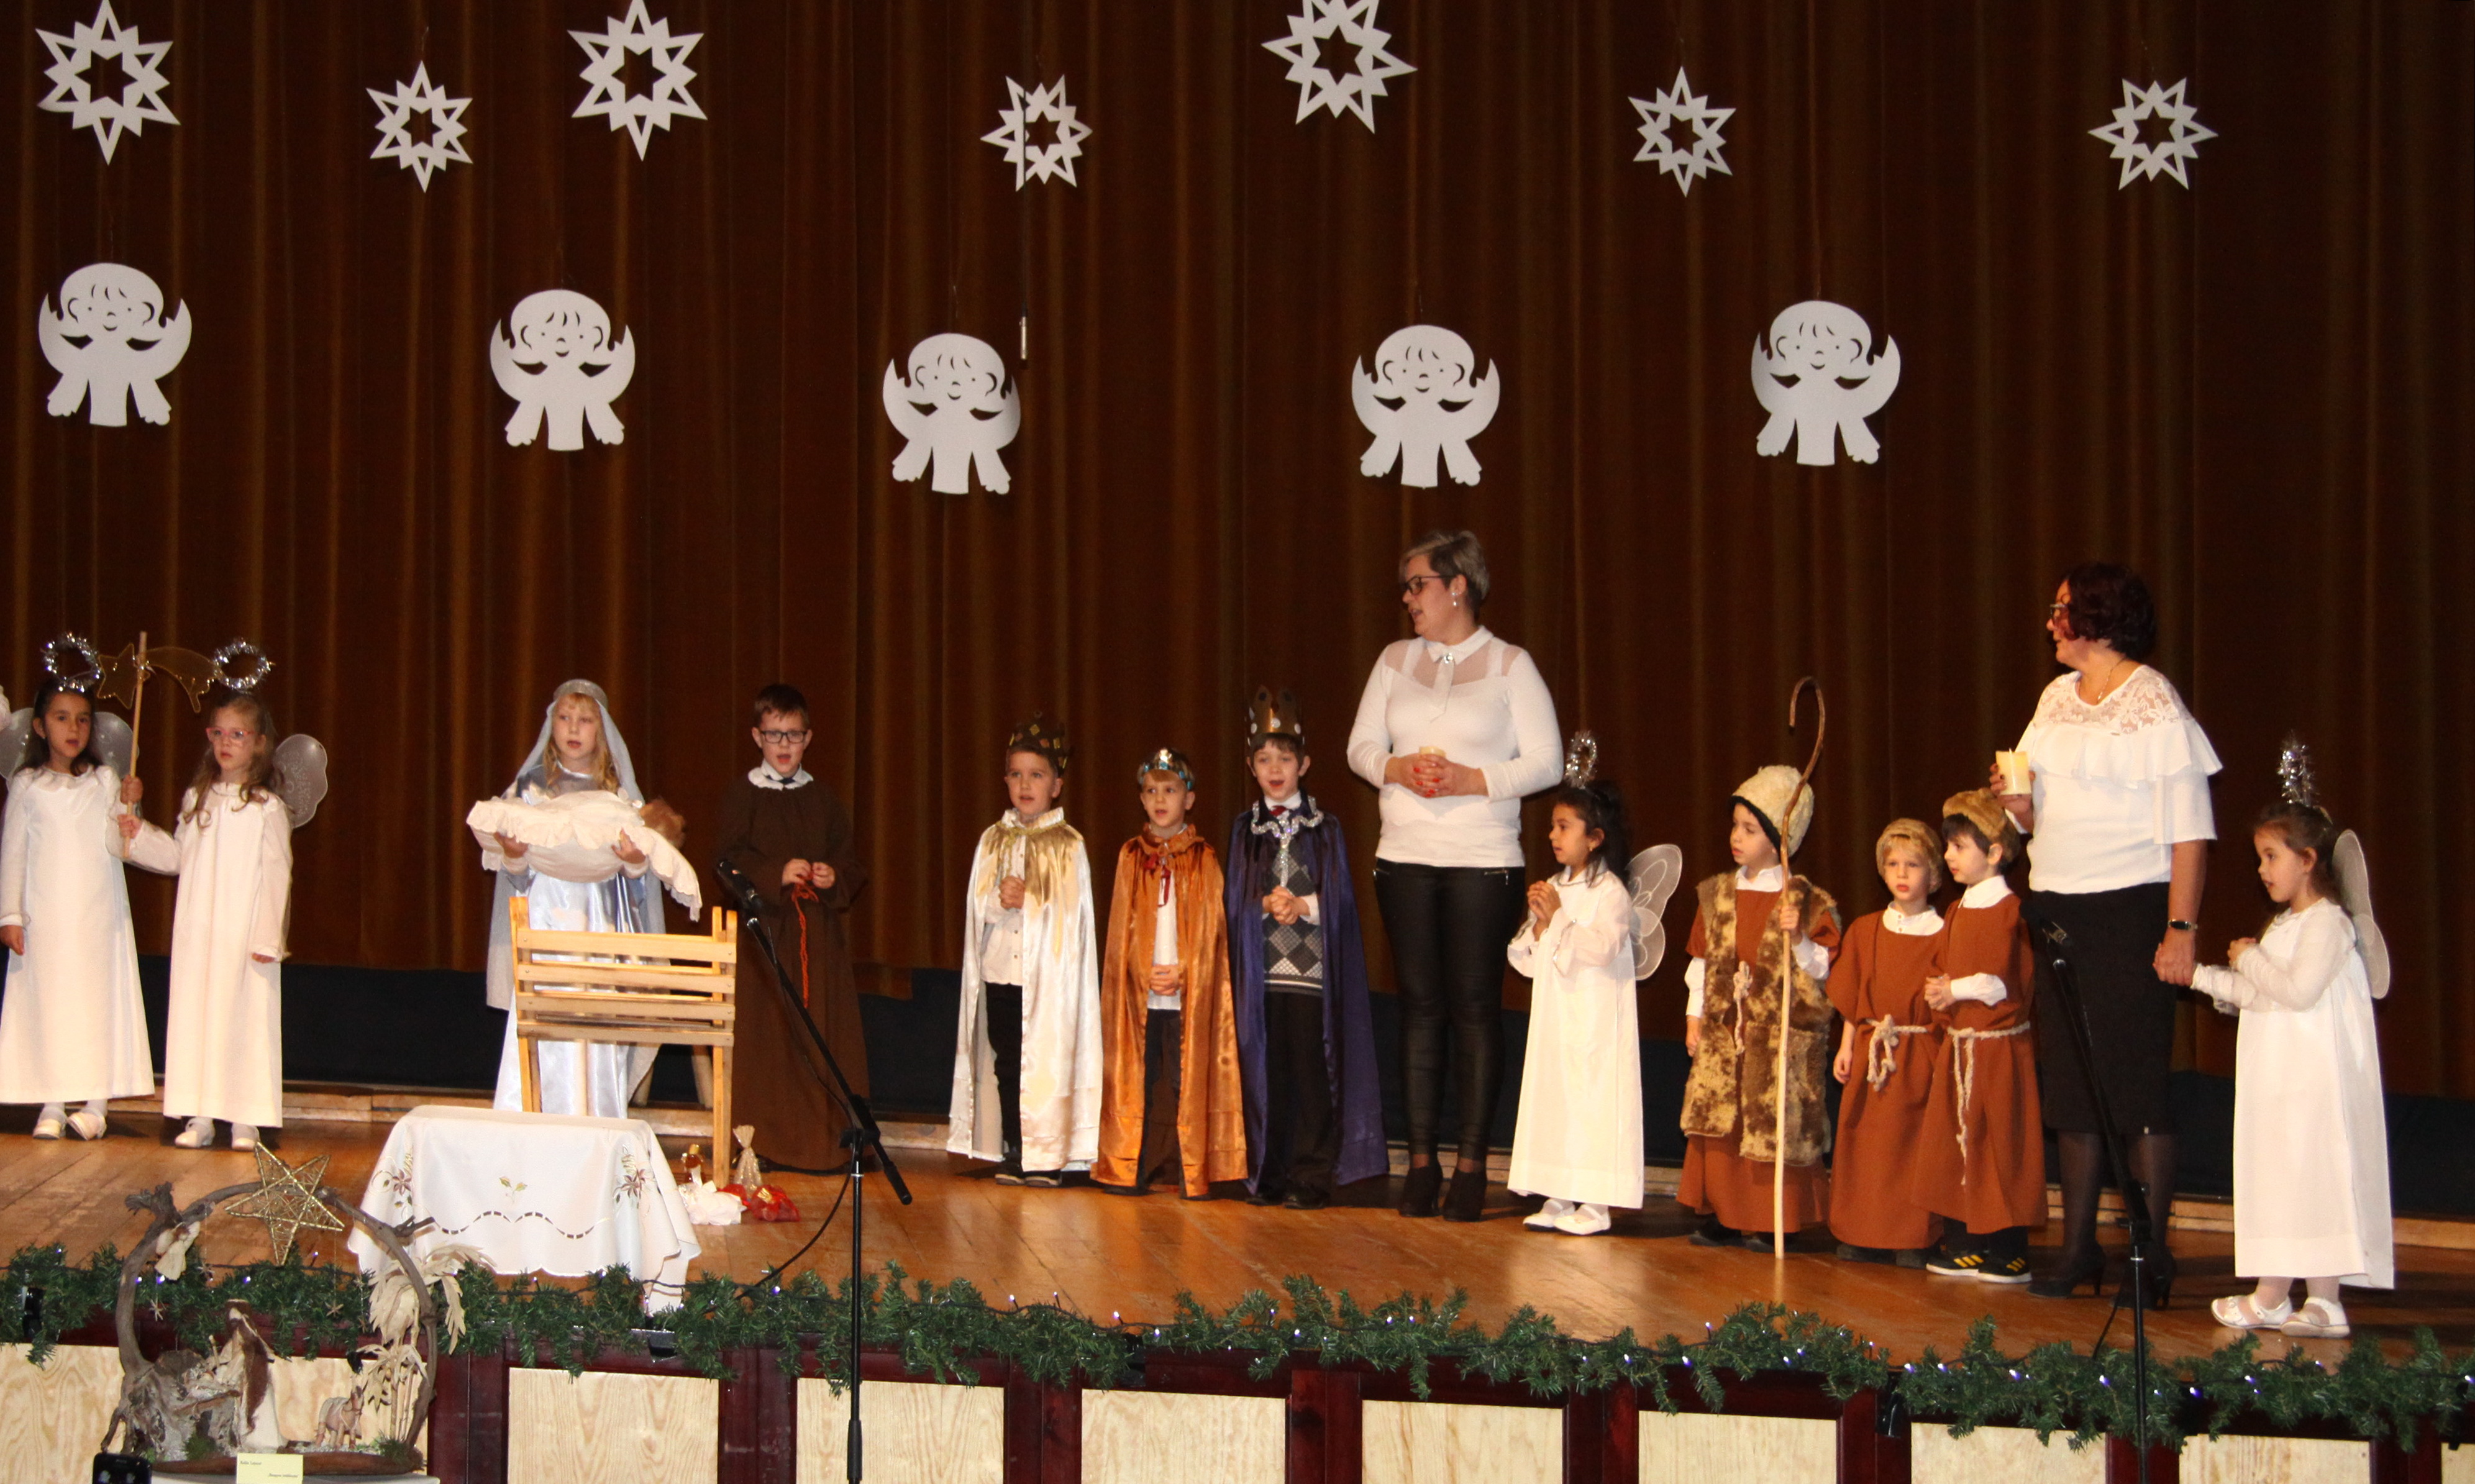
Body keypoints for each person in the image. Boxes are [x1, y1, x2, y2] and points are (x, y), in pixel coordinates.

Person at [1996, 563, 2220, 1303]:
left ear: (2097, 617)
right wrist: (2021, 810)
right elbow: (2041, 817)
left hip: (2131, 911)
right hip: (2061, 909)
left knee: (2133, 1085)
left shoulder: (2153, 702)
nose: (2050, 621)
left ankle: (2150, 1254)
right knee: (2072, 1086)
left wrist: (2180, 928)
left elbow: (2189, 832)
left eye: (2061, 608)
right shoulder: (2055, 697)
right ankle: (2078, 1247)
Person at [1347, 530, 1562, 1222]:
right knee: (1419, 1009)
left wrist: (1474, 779)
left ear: (1458, 585)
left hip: (1482, 861)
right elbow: (1359, 747)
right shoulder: (1393, 660)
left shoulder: (1510, 664)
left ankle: (1471, 1166)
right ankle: (1420, 1164)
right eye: (1406, 587)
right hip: (1405, 858)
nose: (1409, 598)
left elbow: (1548, 761)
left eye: (1419, 584)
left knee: (1474, 1009)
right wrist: (1397, 767)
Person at [2196, 748, 2392, 1341]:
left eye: (2271, 856)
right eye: (2260, 857)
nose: (2262, 869)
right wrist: (2198, 975)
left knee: (2314, 1177)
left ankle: (2316, 1298)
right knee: (2283, 1178)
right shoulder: (2285, 925)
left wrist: (2248, 957)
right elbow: (2258, 995)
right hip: (2279, 1078)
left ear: (2308, 860)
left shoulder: (2329, 923)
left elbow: (2298, 991)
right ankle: (2285, 1297)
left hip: (2313, 1082)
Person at [483, 681, 674, 1118]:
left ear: (601, 730)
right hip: (544, 923)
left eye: (585, 720)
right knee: (542, 1018)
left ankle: (596, 1119)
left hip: (597, 923)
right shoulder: (530, 790)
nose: (573, 728)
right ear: (551, 725)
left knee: (593, 1020)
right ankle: (530, 1120)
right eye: (565, 718)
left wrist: (634, 862)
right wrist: (514, 854)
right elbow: (516, 876)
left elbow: (636, 881)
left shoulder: (619, 795)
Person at [1226, 689, 1385, 1210]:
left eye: (1285, 759)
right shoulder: (1245, 831)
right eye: (1264, 759)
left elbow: (1340, 899)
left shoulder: (1325, 828)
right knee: (1268, 1074)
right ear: (1251, 766)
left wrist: (1303, 905)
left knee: (1312, 1074)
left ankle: (1312, 1175)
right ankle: (1268, 1173)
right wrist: (1262, 904)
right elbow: (1232, 901)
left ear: (1305, 765)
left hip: (1311, 975)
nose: (1275, 769)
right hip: (1264, 976)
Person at [121, 690, 297, 1150]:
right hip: (199, 931)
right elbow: (178, 856)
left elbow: (277, 873)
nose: (226, 743)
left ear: (259, 742)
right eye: (219, 733)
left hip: (243, 935)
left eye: (238, 734)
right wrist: (139, 832)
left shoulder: (266, 807)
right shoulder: (197, 798)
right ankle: (199, 1114)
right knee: (197, 1018)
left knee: (244, 1019)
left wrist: (268, 936)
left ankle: (245, 1118)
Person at [1678, 766, 1841, 1250]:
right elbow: (1701, 964)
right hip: (1726, 1029)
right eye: (1735, 825)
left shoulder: (1804, 900)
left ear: (1778, 839)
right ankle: (1727, 1211)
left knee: (1771, 1119)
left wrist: (1800, 937)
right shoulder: (1717, 895)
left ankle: (1773, 1216)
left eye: (1750, 829)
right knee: (1723, 1119)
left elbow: (1822, 969)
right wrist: (1694, 1016)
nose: (1736, 837)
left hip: (1777, 1038)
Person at [714, 684, 870, 1172]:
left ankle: (825, 1143)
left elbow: (852, 864)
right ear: (757, 736)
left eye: (794, 735)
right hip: (766, 938)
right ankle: (763, 1142)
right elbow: (725, 862)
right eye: (774, 734)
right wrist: (773, 874)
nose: (784, 745)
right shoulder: (743, 795)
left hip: (815, 939)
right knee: (768, 1040)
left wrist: (831, 875)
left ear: (808, 738)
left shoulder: (822, 798)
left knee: (821, 1036)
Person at [947, 714, 1101, 1186]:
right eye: (1016, 775)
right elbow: (977, 908)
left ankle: (1047, 1156)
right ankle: (1015, 1148)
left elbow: (1071, 920)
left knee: (1044, 1064)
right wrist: (999, 900)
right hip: (1001, 973)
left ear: (1056, 785)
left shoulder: (1068, 845)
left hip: (1046, 981)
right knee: (1008, 1062)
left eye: (1036, 775)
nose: (1025, 785)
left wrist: (1031, 902)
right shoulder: (992, 839)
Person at [0, 678, 150, 1140]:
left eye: (83, 719)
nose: (74, 728)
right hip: (46, 917)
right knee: (51, 1004)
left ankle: (96, 1104)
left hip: (97, 915)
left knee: (96, 1005)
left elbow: (119, 842)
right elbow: (13, 852)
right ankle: (52, 1101)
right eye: (62, 718)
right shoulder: (28, 784)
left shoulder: (103, 781)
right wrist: (10, 915)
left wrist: (130, 802)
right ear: (40, 727)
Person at [1094, 749, 1244, 1198]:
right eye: (1152, 791)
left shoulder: (1202, 858)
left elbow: (1211, 931)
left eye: (1171, 790)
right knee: (1139, 1080)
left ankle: (1190, 1170)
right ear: (1141, 799)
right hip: (1142, 993)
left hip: (1183, 993)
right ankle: (1131, 1168)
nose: (1161, 799)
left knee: (1184, 1079)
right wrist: (1140, 974)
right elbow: (1120, 931)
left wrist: (1184, 972)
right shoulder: (1130, 856)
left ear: (1189, 799)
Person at [1505, 740, 1641, 1237]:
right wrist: (1542, 924)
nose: (1553, 835)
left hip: (1595, 1019)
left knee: (1593, 1098)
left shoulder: (1611, 893)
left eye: (1565, 826)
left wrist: (1558, 919)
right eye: (1553, 826)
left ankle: (1597, 1202)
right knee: (1556, 1095)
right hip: (1558, 1018)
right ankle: (1559, 1190)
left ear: (1595, 837)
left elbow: (1602, 947)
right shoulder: (1557, 885)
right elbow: (1524, 955)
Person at [1913, 791, 2043, 1283]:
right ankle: (1965, 1242)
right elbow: (1949, 964)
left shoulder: (2011, 910)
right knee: (1955, 1145)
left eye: (1960, 846)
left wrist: (1954, 989)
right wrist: (1939, 988)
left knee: (1999, 1146)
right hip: (1961, 1046)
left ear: (1995, 852)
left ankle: (2008, 1250)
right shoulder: (1958, 909)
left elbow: (2001, 982)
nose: (1948, 855)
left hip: (1997, 1049)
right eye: (1948, 846)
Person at [1825, 819, 1947, 1265]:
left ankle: (1912, 1236)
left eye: (1913, 864)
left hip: (1920, 1053)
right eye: (1894, 864)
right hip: (1872, 1050)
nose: (1902, 873)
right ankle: (1861, 1231)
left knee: (1913, 1145)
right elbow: (1853, 997)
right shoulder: (1866, 929)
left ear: (1933, 873)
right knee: (1867, 1145)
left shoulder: (1945, 932)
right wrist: (1846, 1047)